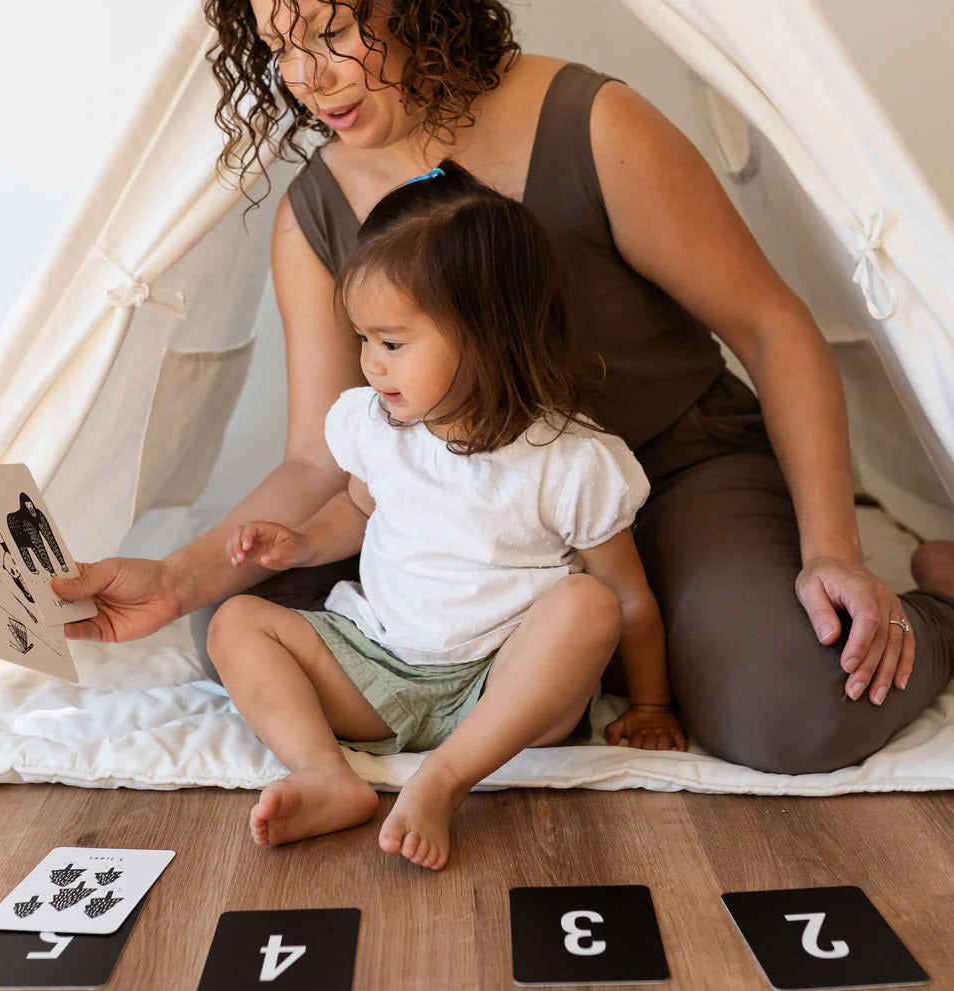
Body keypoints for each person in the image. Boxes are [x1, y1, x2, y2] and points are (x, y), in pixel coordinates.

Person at [53, 0, 954, 776]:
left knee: (788, 712)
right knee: (237, 621)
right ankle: (590, 653)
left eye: (329, 33)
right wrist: (176, 579)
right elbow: (315, 457)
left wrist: (831, 548)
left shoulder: (594, 122)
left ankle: (940, 602)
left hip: (668, 473)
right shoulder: (315, 211)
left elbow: (773, 327)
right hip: (467, 508)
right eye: (277, 46)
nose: (305, 79)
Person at [210, 162, 683, 869]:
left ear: (487, 335)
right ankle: (322, 773)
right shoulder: (375, 426)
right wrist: (301, 542)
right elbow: (358, 512)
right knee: (235, 624)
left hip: (506, 694)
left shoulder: (569, 460)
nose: (371, 364)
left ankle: (446, 777)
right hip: (381, 668)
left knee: (586, 603)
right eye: (364, 340)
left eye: (392, 343)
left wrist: (649, 705)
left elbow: (628, 598)